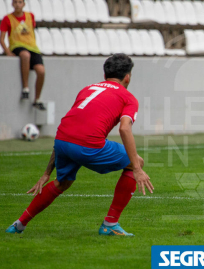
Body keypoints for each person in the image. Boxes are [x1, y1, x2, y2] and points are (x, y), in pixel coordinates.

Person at [6, 53, 154, 236]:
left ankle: (19, 225)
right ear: (128, 77)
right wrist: (138, 170)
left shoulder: (88, 89)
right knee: (136, 162)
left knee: (63, 182)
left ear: (105, 75)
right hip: (88, 144)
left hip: (62, 141)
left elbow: (70, 125)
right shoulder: (128, 97)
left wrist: (47, 173)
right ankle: (110, 224)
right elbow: (125, 129)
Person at [0, 0, 46, 110]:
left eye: (20, 2)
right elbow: (2, 38)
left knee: (41, 71)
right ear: (12, 4)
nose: (17, 5)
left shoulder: (30, 16)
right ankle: (26, 88)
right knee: (25, 55)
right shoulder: (7, 18)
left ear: (24, 4)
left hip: (32, 47)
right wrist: (8, 52)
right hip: (17, 46)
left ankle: (37, 99)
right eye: (15, 2)